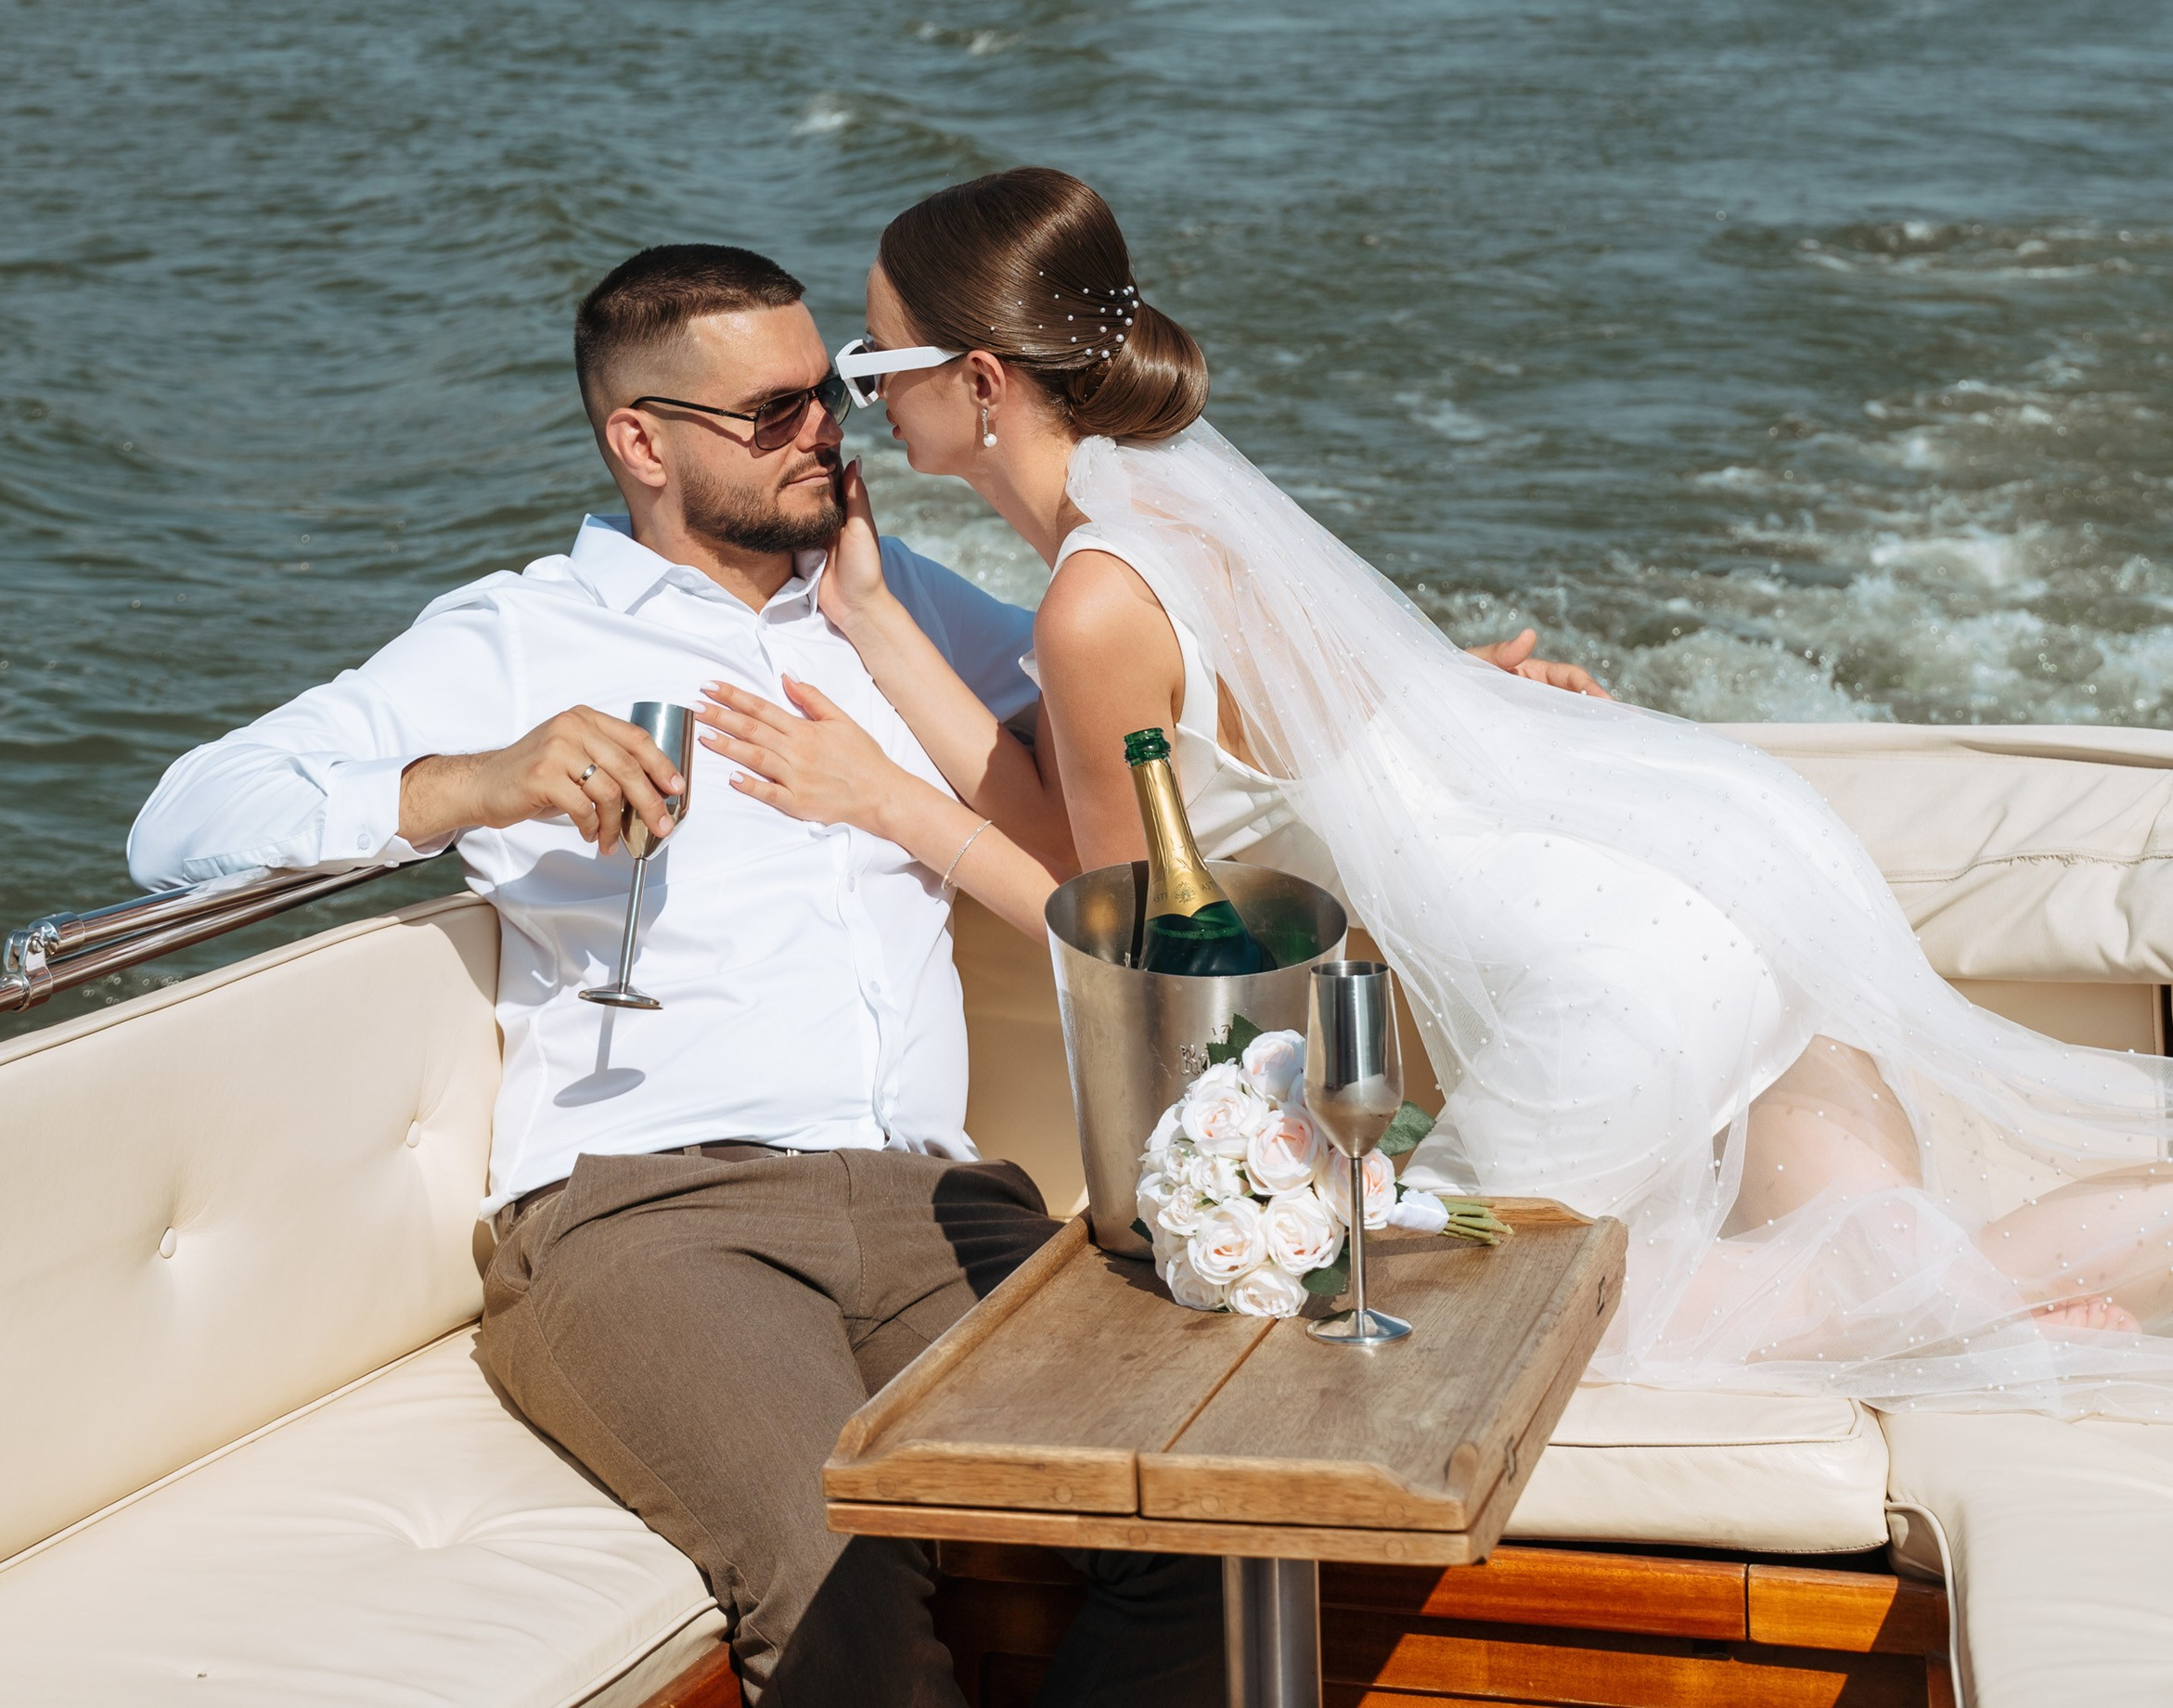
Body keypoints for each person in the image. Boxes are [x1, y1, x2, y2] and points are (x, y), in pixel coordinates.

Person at [698, 168, 2173, 1411]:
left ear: (980, 381)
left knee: (1474, 1348)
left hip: (1621, 979)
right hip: (1729, 862)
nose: (854, 405)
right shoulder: (1183, 503)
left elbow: (1135, 945)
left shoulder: (1092, 607)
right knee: (1871, 1239)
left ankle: (1976, 1292)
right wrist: (880, 622)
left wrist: (887, 804)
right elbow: (1134, 817)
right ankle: (1949, 1300)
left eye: (872, 369)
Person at [128, 240, 1218, 1708]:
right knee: (840, 1569)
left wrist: (1442, 692)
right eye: (771, 414)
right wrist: (476, 781)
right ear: (639, 441)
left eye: (827, 389)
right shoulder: (513, 636)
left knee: (1218, 1523)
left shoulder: (903, 610)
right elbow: (182, 817)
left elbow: (1152, 709)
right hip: (649, 1213)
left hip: (936, 1198)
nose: (826, 429)